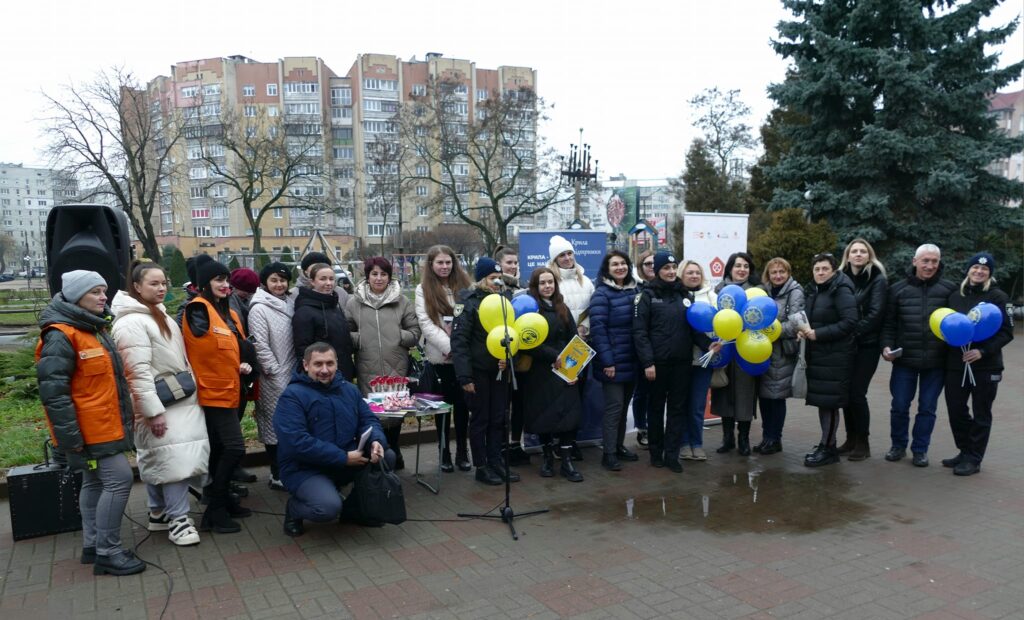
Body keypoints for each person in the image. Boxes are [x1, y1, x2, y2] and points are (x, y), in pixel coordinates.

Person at [36, 270, 144, 575]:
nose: (103, 297)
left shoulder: (93, 329)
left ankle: (93, 544)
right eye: (95, 292)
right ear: (75, 296)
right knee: (119, 480)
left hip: (104, 425)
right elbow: (54, 395)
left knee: (95, 482)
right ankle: (108, 552)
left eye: (104, 291)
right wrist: (71, 439)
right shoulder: (61, 335)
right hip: (89, 431)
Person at [112, 261, 207, 547]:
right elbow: (136, 372)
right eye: (153, 283)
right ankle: (179, 520)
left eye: (163, 282)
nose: (161, 288)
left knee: (161, 456)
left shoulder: (156, 314)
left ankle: (158, 512)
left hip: (175, 399)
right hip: (162, 403)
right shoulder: (131, 322)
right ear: (137, 287)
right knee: (174, 460)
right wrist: (152, 411)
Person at [273, 342, 395, 537]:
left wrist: (376, 441)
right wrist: (343, 457)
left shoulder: (349, 389)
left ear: (337, 363)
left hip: (344, 458)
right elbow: (297, 442)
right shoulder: (292, 396)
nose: (324, 370)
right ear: (306, 366)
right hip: (304, 468)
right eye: (318, 364)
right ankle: (294, 509)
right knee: (326, 508)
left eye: (330, 363)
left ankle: (353, 510)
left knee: (386, 457)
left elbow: (368, 420)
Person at [183, 259, 254, 533]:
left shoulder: (231, 314)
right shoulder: (198, 309)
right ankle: (214, 511)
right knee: (234, 446)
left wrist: (243, 363)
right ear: (204, 284)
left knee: (222, 449)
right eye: (218, 280)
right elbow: (203, 348)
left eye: (226, 280)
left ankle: (223, 500)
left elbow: (231, 349)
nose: (225, 285)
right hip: (212, 394)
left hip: (233, 390)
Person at [633, 252, 716, 473]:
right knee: (656, 408)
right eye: (666, 268)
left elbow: (693, 328)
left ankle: (671, 455)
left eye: (673, 268)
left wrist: (708, 344)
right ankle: (656, 453)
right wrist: (647, 362)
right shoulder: (647, 295)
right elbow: (640, 332)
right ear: (658, 271)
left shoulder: (685, 295)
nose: (670, 272)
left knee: (677, 409)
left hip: (682, 362)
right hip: (657, 364)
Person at [880, 244, 957, 467]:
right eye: (925, 261)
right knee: (900, 405)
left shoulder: (949, 290)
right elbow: (889, 325)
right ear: (915, 261)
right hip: (905, 361)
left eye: (934, 261)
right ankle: (898, 445)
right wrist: (886, 346)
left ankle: (920, 449)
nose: (930, 265)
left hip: (936, 362)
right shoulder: (897, 289)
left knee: (927, 408)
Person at [941, 253, 1013, 476]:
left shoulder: (998, 297)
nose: (979, 272)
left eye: (985, 269)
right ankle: (964, 450)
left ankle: (974, 458)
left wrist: (983, 351)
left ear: (989, 273)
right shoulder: (955, 296)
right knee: (956, 410)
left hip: (986, 366)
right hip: (957, 364)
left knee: (981, 412)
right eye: (975, 268)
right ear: (969, 270)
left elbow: (1006, 332)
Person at [346, 257, 421, 470]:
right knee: (371, 410)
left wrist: (398, 335)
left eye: (383, 274)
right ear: (367, 276)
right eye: (374, 274)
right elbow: (345, 331)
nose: (379, 278)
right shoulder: (354, 302)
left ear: (389, 277)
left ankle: (394, 448)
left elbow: (415, 332)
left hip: (396, 363)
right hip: (366, 364)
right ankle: (378, 451)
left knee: (395, 411)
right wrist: (359, 339)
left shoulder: (402, 301)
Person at [451, 257, 519, 486]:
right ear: (482, 280)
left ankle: (496, 461)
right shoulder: (469, 303)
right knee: (481, 419)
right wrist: (465, 376)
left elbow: (513, 333)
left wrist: (509, 359)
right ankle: (482, 466)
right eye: (492, 278)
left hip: (499, 370)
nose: (497, 282)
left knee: (499, 418)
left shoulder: (504, 301)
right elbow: (459, 342)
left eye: (499, 278)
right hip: (478, 372)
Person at [521, 267, 584, 481]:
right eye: (542, 283)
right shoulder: (530, 308)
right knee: (544, 416)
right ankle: (547, 458)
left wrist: (573, 367)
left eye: (551, 282)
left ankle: (566, 461)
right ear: (535, 286)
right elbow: (527, 341)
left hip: (566, 370)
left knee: (568, 416)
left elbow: (574, 337)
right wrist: (553, 356)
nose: (547, 286)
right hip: (540, 371)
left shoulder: (562, 307)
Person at [415, 245, 473, 473]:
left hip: (462, 360)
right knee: (442, 409)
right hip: (440, 358)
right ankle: (443, 452)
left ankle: (461, 452)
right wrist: (451, 348)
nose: (444, 267)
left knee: (461, 407)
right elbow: (426, 323)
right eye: (440, 262)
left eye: (448, 262)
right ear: (431, 265)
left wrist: (460, 351)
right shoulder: (423, 290)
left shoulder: (465, 286)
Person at [799, 253, 858, 467]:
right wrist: (803, 331)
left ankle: (829, 448)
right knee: (824, 403)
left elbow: (850, 322)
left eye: (825, 269)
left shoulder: (840, 290)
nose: (820, 272)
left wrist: (818, 334)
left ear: (833, 271)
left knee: (830, 404)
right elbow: (811, 319)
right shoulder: (816, 290)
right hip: (820, 356)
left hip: (836, 356)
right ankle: (826, 443)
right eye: (817, 269)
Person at [589, 251, 640, 471]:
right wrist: (608, 361)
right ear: (607, 269)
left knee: (623, 406)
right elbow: (598, 331)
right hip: (612, 362)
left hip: (632, 359)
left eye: (623, 263)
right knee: (614, 407)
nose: (620, 267)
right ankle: (608, 453)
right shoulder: (601, 294)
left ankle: (619, 446)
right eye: (615, 264)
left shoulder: (636, 290)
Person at [838, 239, 888, 461]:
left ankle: (863, 443)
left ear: (869, 255)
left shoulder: (877, 279)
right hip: (845, 345)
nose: (858, 254)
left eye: (863, 251)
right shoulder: (841, 278)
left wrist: (852, 331)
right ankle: (850, 439)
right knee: (846, 394)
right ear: (847, 256)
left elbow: (876, 313)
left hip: (866, 345)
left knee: (857, 393)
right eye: (854, 251)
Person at [246, 262, 296, 490]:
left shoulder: (291, 302)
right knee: (273, 426)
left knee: (291, 425)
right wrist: (274, 371)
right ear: (264, 282)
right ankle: (277, 473)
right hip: (271, 378)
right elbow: (259, 345)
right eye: (274, 280)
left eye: (283, 280)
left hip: (293, 371)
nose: (279, 284)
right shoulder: (258, 308)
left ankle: (290, 469)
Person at [547, 235, 596, 461]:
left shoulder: (586, 281)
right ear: (554, 259)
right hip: (558, 349)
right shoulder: (550, 281)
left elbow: (592, 310)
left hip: (580, 348)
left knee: (578, 397)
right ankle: (556, 442)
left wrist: (584, 330)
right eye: (562, 255)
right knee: (558, 399)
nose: (567, 258)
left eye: (569, 254)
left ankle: (571, 441)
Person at [712, 252, 761, 456]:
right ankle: (727, 438)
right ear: (730, 269)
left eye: (746, 266)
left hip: (747, 350)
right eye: (737, 266)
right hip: (724, 350)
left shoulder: (758, 292)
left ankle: (744, 438)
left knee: (745, 395)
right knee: (724, 392)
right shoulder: (718, 291)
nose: (742, 269)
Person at [754, 258, 804, 456]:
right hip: (761, 350)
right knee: (765, 397)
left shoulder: (795, 292)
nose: (777, 276)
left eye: (782, 272)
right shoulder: (763, 291)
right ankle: (768, 438)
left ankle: (775, 439)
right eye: (773, 272)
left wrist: (769, 330)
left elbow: (796, 322)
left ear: (788, 272)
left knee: (776, 397)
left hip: (782, 351)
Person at [678, 260, 720, 461]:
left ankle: (697, 443)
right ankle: (683, 443)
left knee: (697, 405)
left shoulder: (712, 297)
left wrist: (718, 343)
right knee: (680, 404)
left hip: (704, 360)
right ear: (681, 274)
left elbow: (723, 323)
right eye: (689, 272)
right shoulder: (675, 295)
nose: (694, 276)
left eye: (697, 272)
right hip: (680, 360)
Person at [494, 245, 530, 466]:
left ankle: (516, 444)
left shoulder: (524, 287)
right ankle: (499, 446)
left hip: (523, 356)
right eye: (509, 262)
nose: (513, 266)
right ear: (499, 265)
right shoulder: (495, 288)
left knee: (521, 404)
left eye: (515, 262)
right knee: (502, 405)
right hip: (501, 355)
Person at [292, 262, 356, 382]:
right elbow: (302, 349)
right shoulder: (305, 312)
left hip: (342, 373)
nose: (328, 283)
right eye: (323, 279)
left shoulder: (334, 306)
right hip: (322, 377)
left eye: (332, 279)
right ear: (312, 282)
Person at [630, 249, 656, 448]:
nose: (652, 267)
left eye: (655, 263)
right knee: (642, 391)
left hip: (662, 348)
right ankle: (642, 427)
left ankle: (655, 426)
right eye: (647, 264)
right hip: (641, 349)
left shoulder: (667, 287)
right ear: (640, 267)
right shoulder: (635, 289)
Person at [228, 268, 259, 332]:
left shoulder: (251, 300)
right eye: (246, 292)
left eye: (250, 293)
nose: (248, 295)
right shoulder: (229, 300)